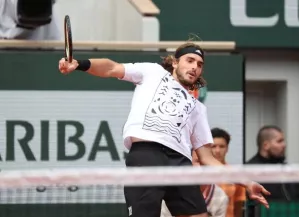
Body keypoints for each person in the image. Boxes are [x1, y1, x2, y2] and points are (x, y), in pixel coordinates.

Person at [58, 41, 270, 217]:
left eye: (200, 63)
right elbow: (112, 68)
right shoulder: (153, 72)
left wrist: (247, 182)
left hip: (180, 163)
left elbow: (208, 158)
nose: (195, 66)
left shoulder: (198, 108)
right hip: (147, 156)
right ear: (176, 62)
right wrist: (79, 64)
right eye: (190, 60)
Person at [246, 125, 299, 201]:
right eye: (279, 141)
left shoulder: (288, 170)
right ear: (266, 145)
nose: (284, 145)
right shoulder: (250, 170)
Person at [161, 151, 229, 217]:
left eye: (207, 162)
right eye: (198, 161)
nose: (202, 167)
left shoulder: (221, 196)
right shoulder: (171, 193)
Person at [210, 128, 246, 217]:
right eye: (213, 146)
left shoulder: (235, 175)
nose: (217, 151)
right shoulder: (198, 174)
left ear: (227, 148)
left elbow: (238, 205)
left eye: (222, 146)